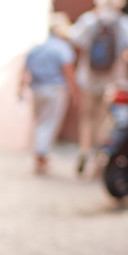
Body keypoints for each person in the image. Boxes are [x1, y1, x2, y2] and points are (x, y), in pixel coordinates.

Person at [68, 0, 128, 176]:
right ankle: (97, 160)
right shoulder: (125, 23)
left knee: (87, 118)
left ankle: (84, 150)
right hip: (113, 79)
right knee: (105, 119)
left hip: (88, 77)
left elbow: (75, 38)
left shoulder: (89, 20)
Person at [19, 13, 78, 175]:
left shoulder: (38, 48)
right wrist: (74, 91)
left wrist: (20, 88)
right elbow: (68, 72)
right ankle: (41, 156)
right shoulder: (62, 48)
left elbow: (24, 70)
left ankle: (40, 156)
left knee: (41, 122)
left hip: (37, 89)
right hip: (54, 89)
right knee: (49, 123)